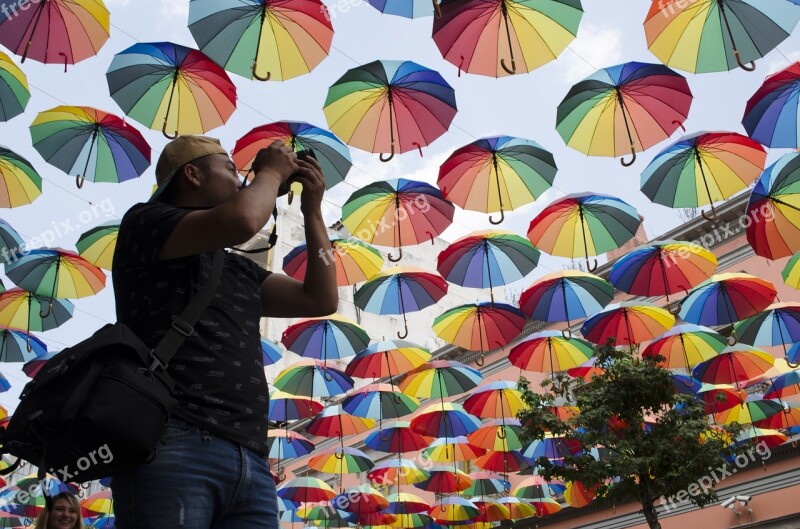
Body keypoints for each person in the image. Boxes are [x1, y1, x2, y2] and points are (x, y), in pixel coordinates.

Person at [109, 135, 338, 529]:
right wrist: (269, 171)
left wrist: (313, 212)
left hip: (249, 454)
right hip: (171, 440)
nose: (240, 178)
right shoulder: (145, 222)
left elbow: (320, 298)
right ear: (193, 175)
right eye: (230, 168)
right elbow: (243, 220)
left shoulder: (237, 267)